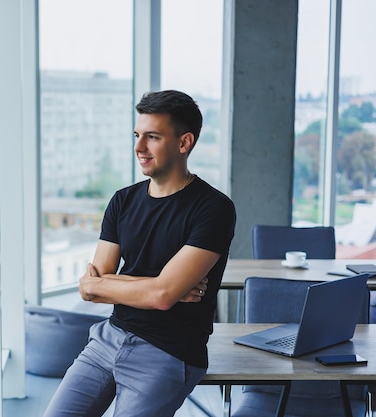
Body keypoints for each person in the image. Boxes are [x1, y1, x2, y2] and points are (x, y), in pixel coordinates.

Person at [43, 90, 236, 417]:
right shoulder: (123, 201)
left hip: (166, 353)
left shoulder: (213, 209)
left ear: (184, 142)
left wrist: (130, 287)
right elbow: (91, 290)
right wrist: (154, 286)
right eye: (137, 136)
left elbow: (158, 296)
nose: (138, 147)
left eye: (152, 137)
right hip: (108, 338)